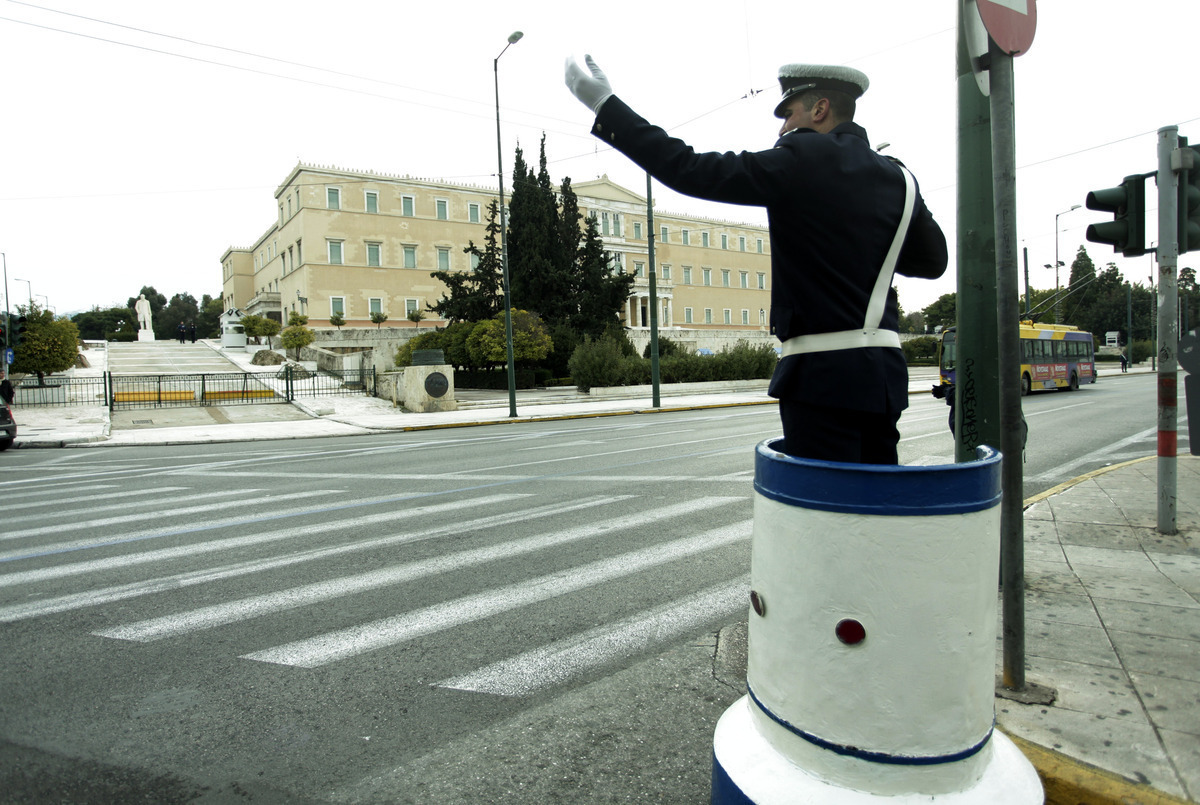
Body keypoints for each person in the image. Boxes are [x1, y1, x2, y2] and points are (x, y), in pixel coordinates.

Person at [565, 56, 948, 464]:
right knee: (876, 511)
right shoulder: (900, 177)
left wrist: (606, 106)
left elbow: (689, 168)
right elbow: (932, 262)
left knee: (822, 513)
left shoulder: (800, 157)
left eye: (788, 114)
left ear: (819, 110)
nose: (782, 127)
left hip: (819, 378)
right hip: (883, 378)